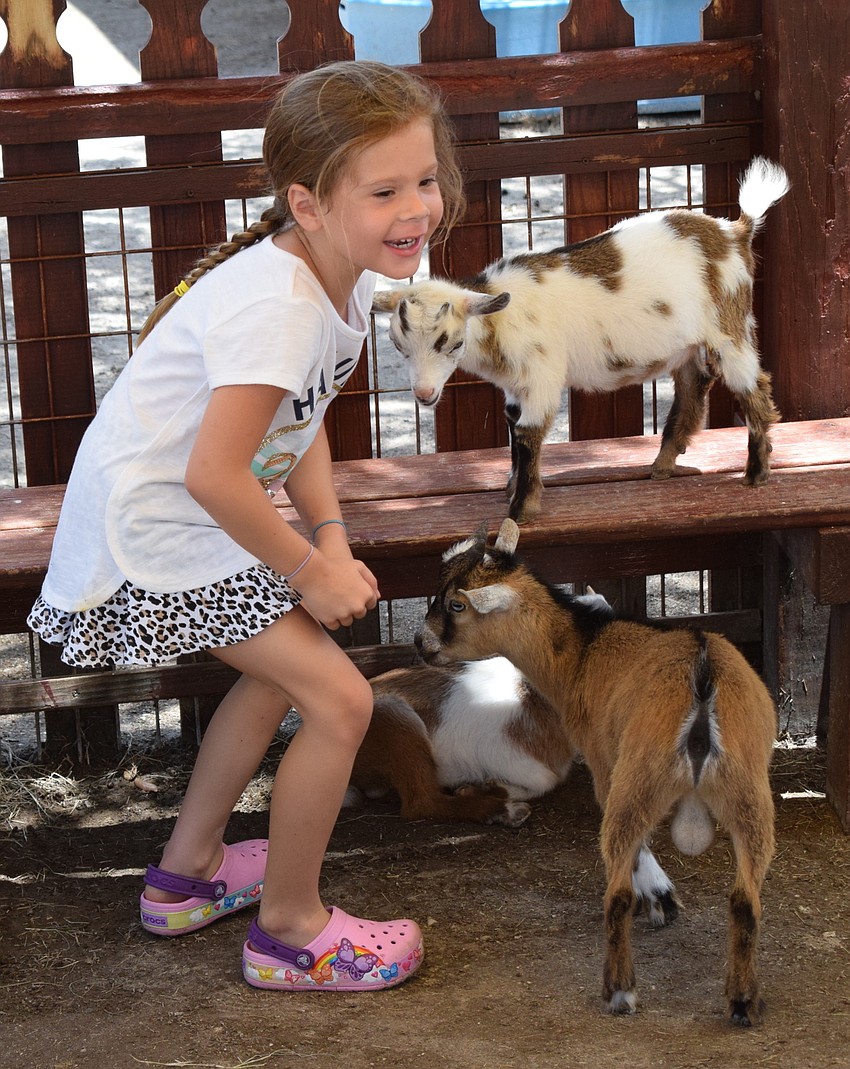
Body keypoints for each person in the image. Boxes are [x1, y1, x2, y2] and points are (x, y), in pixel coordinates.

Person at [27, 60, 465, 992]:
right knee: (342, 701)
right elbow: (216, 471)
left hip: (184, 519)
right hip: (154, 535)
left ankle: (186, 875)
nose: (417, 207)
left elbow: (291, 421)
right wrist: (309, 567)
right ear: (308, 204)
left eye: (424, 180)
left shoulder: (332, 278)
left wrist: (331, 531)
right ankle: (292, 932)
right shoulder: (278, 304)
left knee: (278, 677)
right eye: (384, 190)